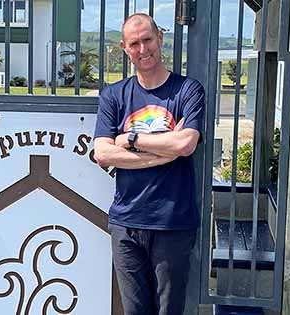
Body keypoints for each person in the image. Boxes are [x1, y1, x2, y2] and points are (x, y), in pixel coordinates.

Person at [93, 13, 205, 315]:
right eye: (134, 43)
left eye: (147, 40)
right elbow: (102, 152)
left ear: (160, 39)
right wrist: (164, 153)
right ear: (124, 48)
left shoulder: (187, 91)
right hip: (126, 223)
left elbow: (185, 144)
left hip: (173, 222)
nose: (143, 49)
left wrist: (130, 139)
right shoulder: (114, 95)